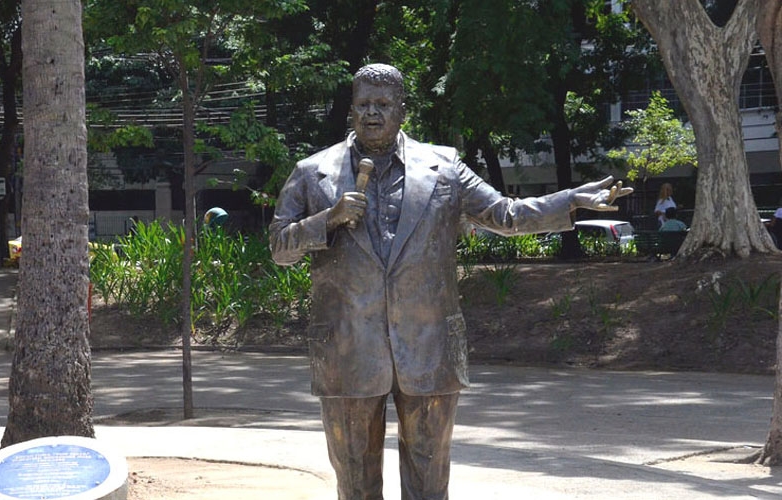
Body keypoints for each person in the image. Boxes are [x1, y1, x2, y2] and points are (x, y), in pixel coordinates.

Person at [269, 63, 632, 500]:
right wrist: (326, 220)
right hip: (347, 351)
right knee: (355, 484)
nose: (372, 113)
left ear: (402, 110)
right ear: (351, 110)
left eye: (382, 104)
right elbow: (279, 248)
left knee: (429, 483)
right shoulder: (313, 172)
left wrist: (570, 202)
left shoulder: (443, 166)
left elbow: (506, 215)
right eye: (363, 104)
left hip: (430, 348)